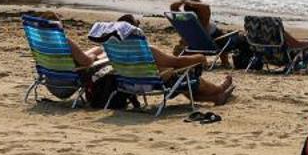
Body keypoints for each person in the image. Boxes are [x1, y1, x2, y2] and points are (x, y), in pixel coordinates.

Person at [79, 12, 236, 106]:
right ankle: (219, 90)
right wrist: (200, 57)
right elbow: (176, 62)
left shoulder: (112, 48)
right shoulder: (147, 50)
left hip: (127, 83)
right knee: (183, 74)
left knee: (176, 77)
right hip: (151, 83)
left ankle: (217, 96)